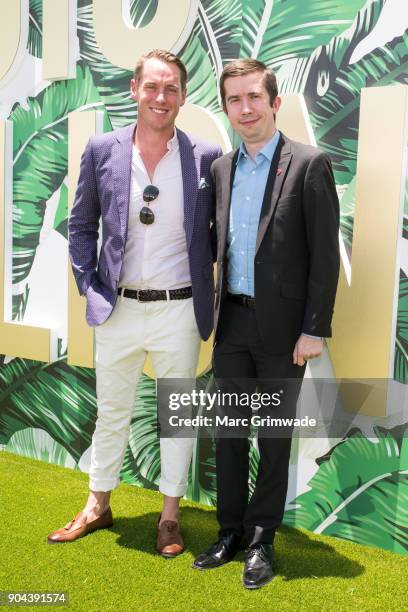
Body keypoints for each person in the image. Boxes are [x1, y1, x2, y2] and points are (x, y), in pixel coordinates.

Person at [47, 49, 222, 556]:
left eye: (171, 89)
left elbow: (217, 233)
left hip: (179, 310)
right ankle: (97, 504)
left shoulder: (205, 156)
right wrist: (89, 286)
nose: (160, 97)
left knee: (177, 415)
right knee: (112, 413)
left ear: (183, 97)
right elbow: (80, 224)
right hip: (118, 308)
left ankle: (170, 515)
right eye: (152, 87)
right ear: (134, 89)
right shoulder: (103, 149)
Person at [193, 58, 339, 588]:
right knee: (229, 433)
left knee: (273, 440)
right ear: (226, 107)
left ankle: (261, 542)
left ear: (274, 102)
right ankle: (228, 532)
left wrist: (314, 328)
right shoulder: (222, 169)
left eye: (254, 97)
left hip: (283, 334)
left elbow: (325, 256)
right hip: (231, 322)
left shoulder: (309, 164)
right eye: (234, 99)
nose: (245, 108)